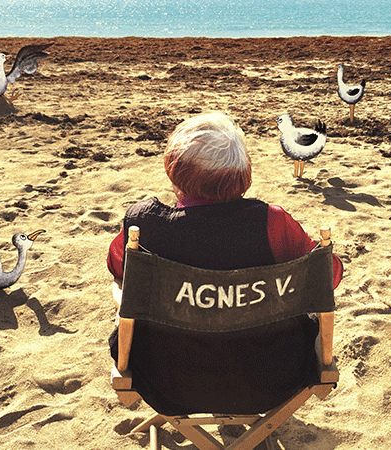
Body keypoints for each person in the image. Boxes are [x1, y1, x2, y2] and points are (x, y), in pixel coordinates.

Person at [107, 112, 343, 416]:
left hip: (164, 381)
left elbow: (118, 270)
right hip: (271, 381)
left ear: (174, 171)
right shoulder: (273, 222)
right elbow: (328, 275)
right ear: (243, 177)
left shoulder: (146, 225)